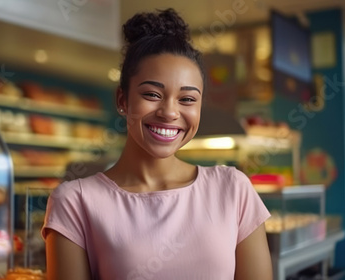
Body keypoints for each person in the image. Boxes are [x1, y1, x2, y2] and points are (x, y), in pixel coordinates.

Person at [42, 8, 272, 280]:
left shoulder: (233, 190)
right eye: (152, 94)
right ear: (122, 100)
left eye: (187, 99)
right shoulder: (75, 202)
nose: (170, 112)